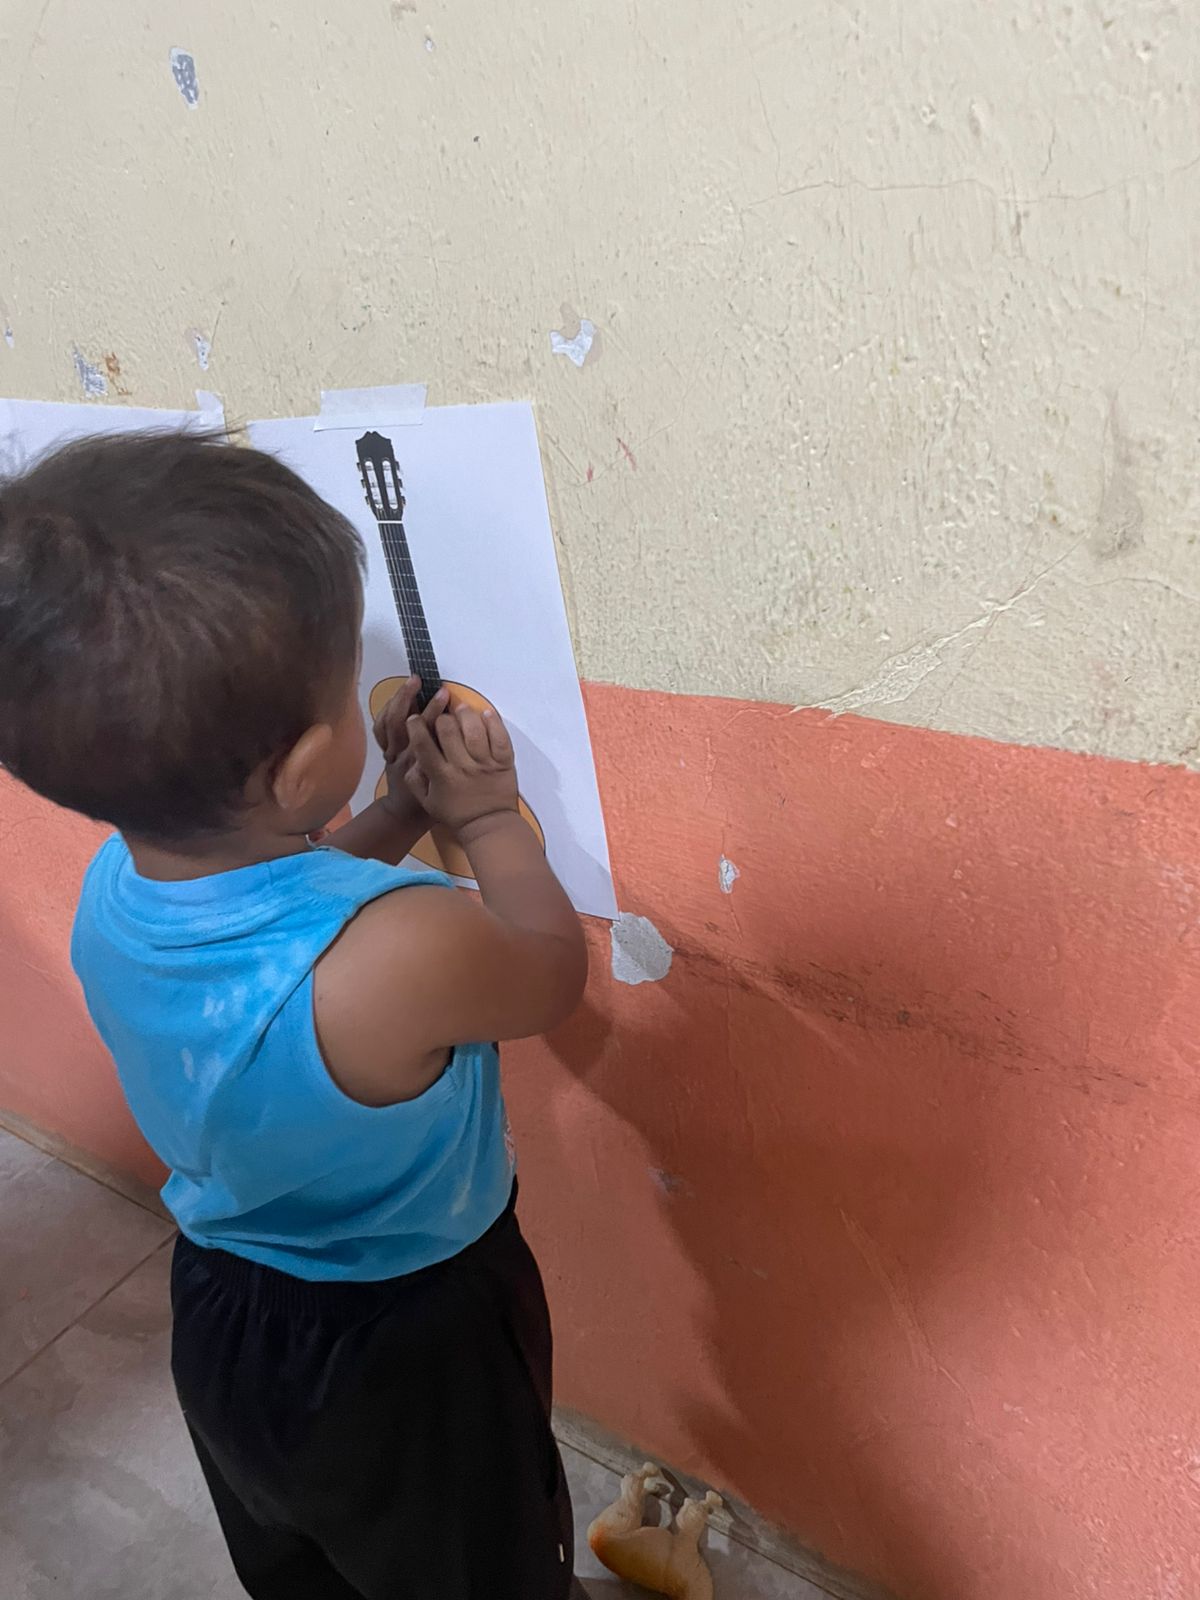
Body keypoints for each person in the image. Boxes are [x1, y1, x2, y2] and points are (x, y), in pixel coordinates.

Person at [0, 430, 589, 1600]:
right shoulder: (409, 945)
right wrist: (486, 820)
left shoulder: (118, 888)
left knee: (305, 1566)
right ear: (309, 762)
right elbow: (549, 971)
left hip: (225, 1315)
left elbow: (282, 900)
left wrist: (397, 811)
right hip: (412, 1346)